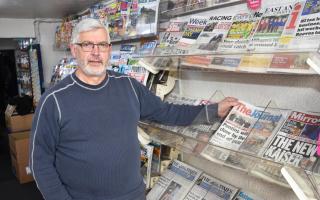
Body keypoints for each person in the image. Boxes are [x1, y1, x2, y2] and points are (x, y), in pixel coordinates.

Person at [29, 18, 239, 200]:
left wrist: (213, 111)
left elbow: (166, 112)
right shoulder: (54, 100)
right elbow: (40, 163)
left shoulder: (128, 86)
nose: (96, 52)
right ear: (74, 49)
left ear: (109, 49)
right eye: (87, 45)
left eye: (102, 44)